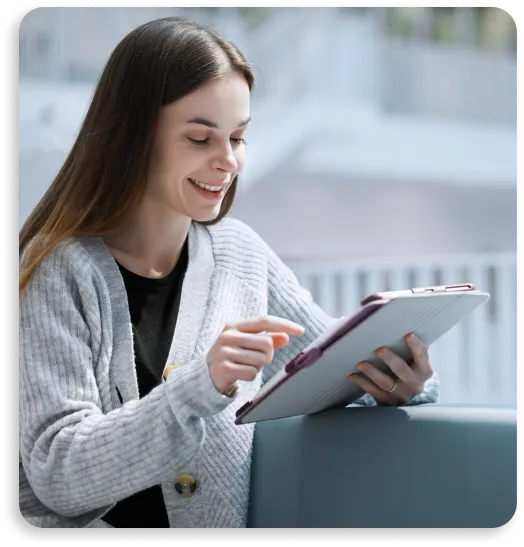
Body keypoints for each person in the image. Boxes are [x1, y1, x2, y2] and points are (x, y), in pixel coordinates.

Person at [19, 16, 439, 529]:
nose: (229, 162)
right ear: (133, 137)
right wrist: (201, 385)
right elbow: (58, 473)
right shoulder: (55, 270)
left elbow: (331, 363)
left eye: (237, 138)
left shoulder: (241, 254)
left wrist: (397, 382)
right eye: (200, 139)